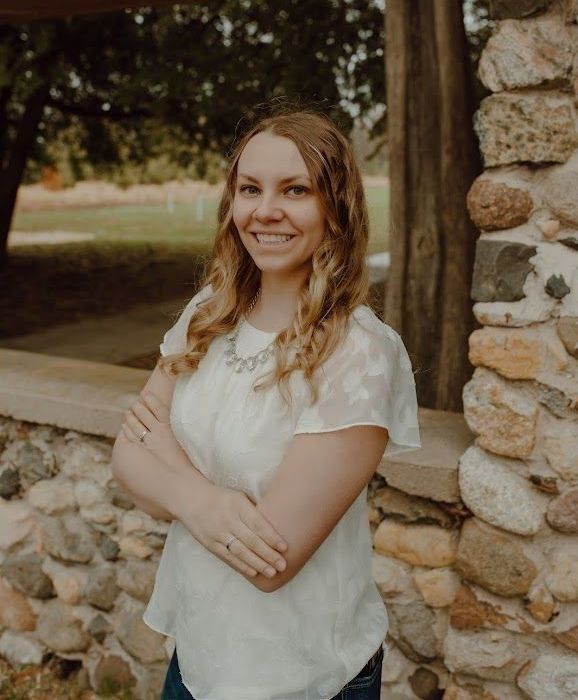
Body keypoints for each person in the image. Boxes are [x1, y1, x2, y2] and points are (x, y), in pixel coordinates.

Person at [112, 104, 421, 700]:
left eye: (295, 189)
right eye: (250, 189)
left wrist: (173, 477)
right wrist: (200, 499)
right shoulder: (209, 312)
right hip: (200, 651)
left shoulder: (359, 355)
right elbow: (127, 459)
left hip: (301, 672)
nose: (266, 210)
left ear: (335, 209)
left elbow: (272, 564)